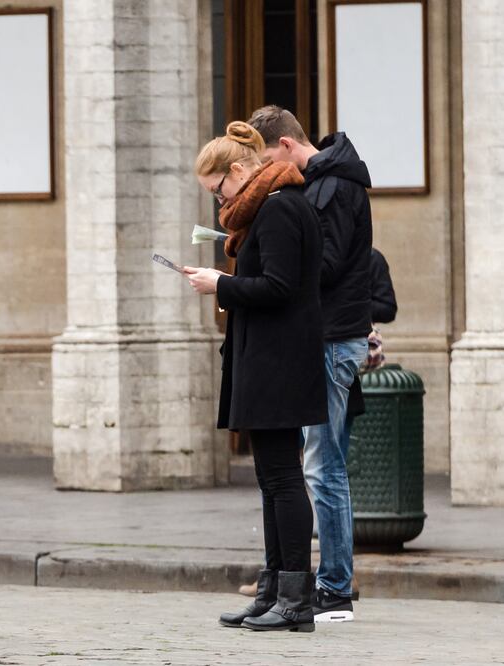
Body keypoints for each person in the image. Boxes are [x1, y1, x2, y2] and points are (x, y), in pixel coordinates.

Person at [186, 121, 326, 632]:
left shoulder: (281, 207)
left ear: (240, 170)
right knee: (270, 478)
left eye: (218, 188)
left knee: (284, 479)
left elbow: (281, 287)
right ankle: (273, 590)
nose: (218, 199)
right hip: (265, 356)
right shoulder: (267, 208)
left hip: (281, 360)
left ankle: (297, 599)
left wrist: (222, 283)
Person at [248, 105, 372, 622]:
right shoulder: (323, 185)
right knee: (312, 465)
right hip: (323, 336)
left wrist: (271, 262)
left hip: (332, 337)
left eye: (261, 162)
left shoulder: (334, 187)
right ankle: (312, 582)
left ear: (284, 147)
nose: (261, 175)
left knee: (322, 467)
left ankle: (334, 587)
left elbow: (324, 265)